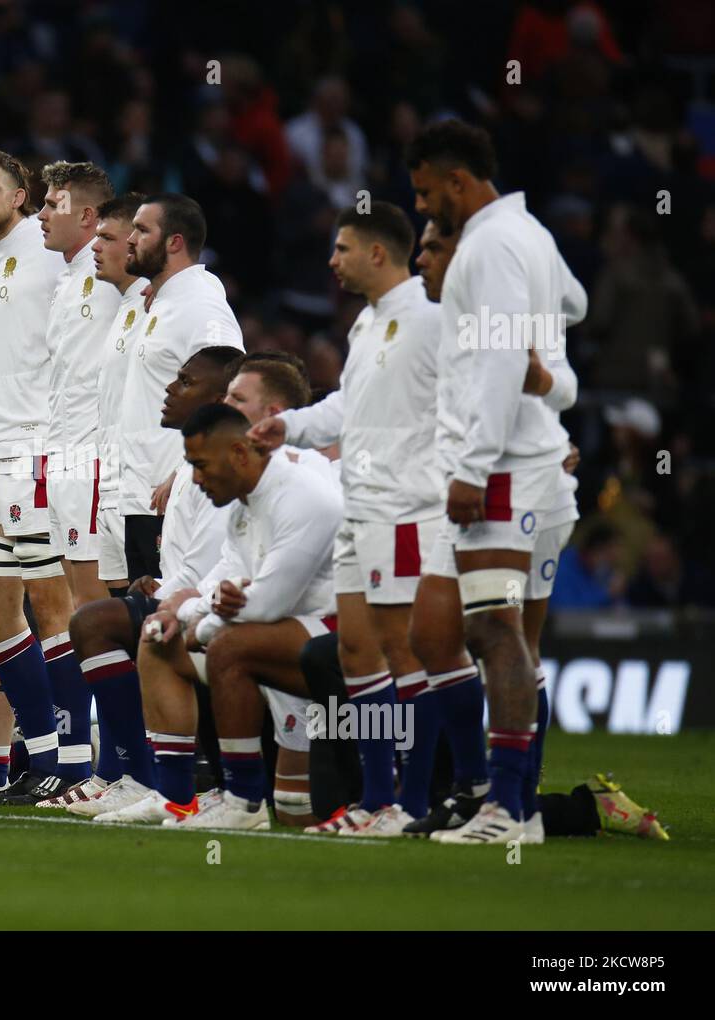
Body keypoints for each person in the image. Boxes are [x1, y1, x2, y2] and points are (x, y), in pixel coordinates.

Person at [405, 119, 585, 844]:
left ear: (457, 181)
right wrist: (551, 373)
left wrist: (473, 467)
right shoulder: (531, 234)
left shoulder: (489, 243)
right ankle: (507, 799)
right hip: (519, 462)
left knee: (492, 630)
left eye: (426, 194)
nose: (424, 210)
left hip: (503, 470)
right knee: (453, 631)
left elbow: (505, 353)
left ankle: (509, 809)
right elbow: (572, 304)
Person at [248, 201, 444, 836]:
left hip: (407, 509)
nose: (331, 261)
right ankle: (375, 797)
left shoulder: (431, 319)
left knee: (403, 652)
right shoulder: (368, 324)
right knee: (358, 650)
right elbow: (347, 408)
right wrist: (292, 426)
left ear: (377, 254)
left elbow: (476, 398)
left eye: (342, 249)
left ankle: (413, 801)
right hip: (363, 509)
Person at [104, 404, 339, 830]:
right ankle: (175, 797)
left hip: (333, 641)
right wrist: (184, 612)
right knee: (158, 635)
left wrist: (202, 621)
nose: (194, 478)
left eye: (200, 465)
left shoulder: (305, 496)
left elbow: (266, 605)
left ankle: (243, 802)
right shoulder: (240, 503)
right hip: (274, 641)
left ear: (238, 452)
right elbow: (222, 580)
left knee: (228, 647)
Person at [0, 149, 84, 802]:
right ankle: (40, 752)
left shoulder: (48, 245)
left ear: (23, 196)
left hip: (34, 450)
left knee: (52, 604)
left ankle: (76, 762)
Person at [65, 345, 242, 815]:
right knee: (94, 622)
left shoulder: (224, 468)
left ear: (222, 398)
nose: (168, 389)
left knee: (103, 624)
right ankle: (143, 777)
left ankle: (151, 778)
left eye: (185, 382)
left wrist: (169, 598)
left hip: (219, 606)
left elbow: (213, 565)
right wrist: (161, 588)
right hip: (193, 597)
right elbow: (193, 562)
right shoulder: (189, 465)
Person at [118, 193, 244, 582]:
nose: (130, 239)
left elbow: (235, 389)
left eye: (141, 230)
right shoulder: (167, 300)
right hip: (140, 490)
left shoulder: (201, 305)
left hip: (169, 490)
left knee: (168, 618)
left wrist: (186, 469)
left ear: (174, 242)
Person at [38, 160, 120, 608]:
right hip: (61, 456)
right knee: (77, 610)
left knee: (96, 610)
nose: (42, 215)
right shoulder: (66, 279)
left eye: (53, 205)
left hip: (94, 461)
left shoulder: (120, 274)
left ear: (87, 216)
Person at [91, 193, 148, 595]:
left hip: (146, 493)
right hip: (113, 486)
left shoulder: (161, 306)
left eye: (107, 238)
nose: (96, 246)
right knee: (118, 615)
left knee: (146, 619)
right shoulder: (126, 305)